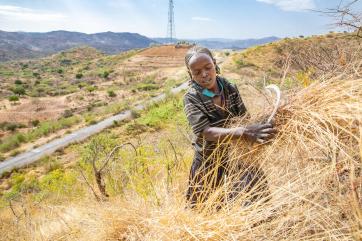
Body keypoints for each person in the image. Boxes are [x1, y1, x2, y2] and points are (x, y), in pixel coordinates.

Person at [183, 46, 276, 208]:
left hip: (237, 152)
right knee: (203, 207)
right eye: (197, 72)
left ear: (215, 64)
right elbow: (206, 132)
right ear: (190, 74)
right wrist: (243, 132)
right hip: (208, 158)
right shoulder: (192, 98)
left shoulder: (229, 88)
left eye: (208, 68)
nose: (204, 74)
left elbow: (244, 119)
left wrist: (262, 127)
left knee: (256, 198)